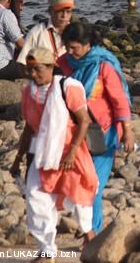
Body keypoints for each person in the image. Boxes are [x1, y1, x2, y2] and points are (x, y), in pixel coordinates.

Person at [11, 48, 98, 257]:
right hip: (42, 152)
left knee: (78, 196)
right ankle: (47, 251)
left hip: (69, 150)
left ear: (50, 67)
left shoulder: (69, 87)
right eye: (29, 70)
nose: (33, 75)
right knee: (36, 197)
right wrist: (19, 157)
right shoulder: (28, 92)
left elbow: (84, 121)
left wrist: (72, 152)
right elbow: (29, 127)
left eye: (38, 69)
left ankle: (89, 234)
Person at [57, 21, 134, 234]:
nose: (71, 52)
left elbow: (119, 100)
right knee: (79, 183)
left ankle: (93, 231)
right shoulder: (64, 63)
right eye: (68, 47)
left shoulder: (104, 65)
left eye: (75, 48)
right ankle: (89, 230)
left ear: (88, 44)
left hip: (104, 133)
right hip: (75, 134)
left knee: (94, 185)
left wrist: (127, 131)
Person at [17, 0, 75, 64]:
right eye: (60, 11)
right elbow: (23, 62)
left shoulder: (77, 32)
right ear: (50, 11)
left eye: (68, 12)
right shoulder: (37, 33)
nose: (64, 16)